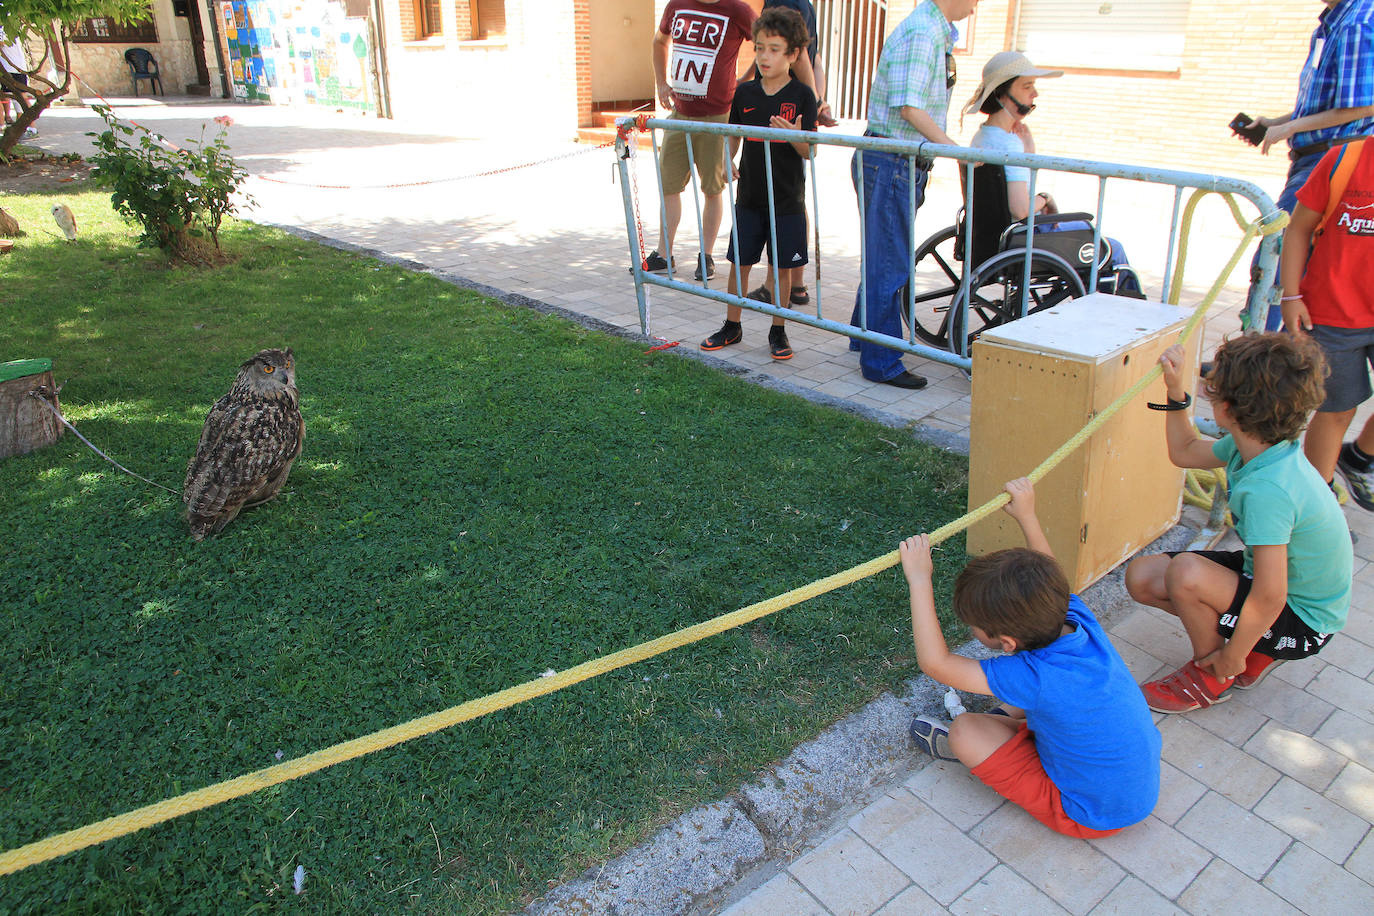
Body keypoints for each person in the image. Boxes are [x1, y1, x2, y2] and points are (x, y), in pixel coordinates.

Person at [901, 478, 1160, 838]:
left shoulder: (1033, 676)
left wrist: (919, 580)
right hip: (1134, 792)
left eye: (974, 625)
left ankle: (981, 751)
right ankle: (1014, 733)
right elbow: (1051, 574)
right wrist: (1027, 515)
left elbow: (937, 665)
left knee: (966, 732)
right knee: (1031, 702)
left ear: (1007, 642)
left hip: (1089, 815)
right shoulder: (1074, 619)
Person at [1125, 334, 1352, 713]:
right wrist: (1175, 391)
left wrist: (1232, 654)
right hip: (1285, 597)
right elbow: (1184, 451)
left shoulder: (1269, 490)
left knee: (1185, 573)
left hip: (1305, 624)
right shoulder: (1260, 443)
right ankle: (1254, 652)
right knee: (1143, 577)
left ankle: (1215, 674)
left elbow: (1270, 596)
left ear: (1227, 409)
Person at [850, 0, 980, 390]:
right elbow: (908, 107)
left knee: (883, 256)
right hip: (892, 159)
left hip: (893, 160)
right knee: (889, 263)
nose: (977, 4)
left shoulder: (930, 30)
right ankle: (882, 360)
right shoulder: (923, 32)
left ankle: (864, 338)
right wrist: (956, 150)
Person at [962, 51, 1141, 296]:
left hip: (991, 235)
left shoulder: (983, 136)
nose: (1034, 94)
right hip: (1021, 239)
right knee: (1111, 249)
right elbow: (1021, 209)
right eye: (1027, 86)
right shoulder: (1007, 144)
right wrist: (1045, 198)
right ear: (1002, 93)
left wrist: (1029, 154)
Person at [1241, 0, 1374, 329]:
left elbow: (1363, 105)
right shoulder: (1332, 21)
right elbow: (1329, 101)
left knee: (1276, 260)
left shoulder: (1357, 22)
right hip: (1314, 157)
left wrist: (1290, 128)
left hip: (1330, 158)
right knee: (1287, 262)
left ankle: (1259, 362)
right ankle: (1273, 358)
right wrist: (1276, 121)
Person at [699, 6, 817, 361]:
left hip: (786, 201)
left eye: (774, 49)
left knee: (780, 269)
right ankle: (732, 325)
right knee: (740, 263)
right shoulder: (745, 93)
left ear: (793, 54)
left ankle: (778, 331)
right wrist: (726, 157)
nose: (765, 56)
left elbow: (808, 151)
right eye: (760, 47)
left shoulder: (803, 96)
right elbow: (733, 135)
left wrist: (796, 136)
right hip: (749, 197)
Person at [1281, 139, 1374, 511]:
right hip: (1334, 314)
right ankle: (1318, 508)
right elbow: (1298, 229)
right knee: (1336, 410)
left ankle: (1359, 458)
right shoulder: (1344, 160)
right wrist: (1290, 296)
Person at [642, 0, 756, 282]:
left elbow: (767, 41)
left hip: (716, 116)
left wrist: (747, 80)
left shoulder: (737, 10)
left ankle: (705, 256)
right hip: (679, 114)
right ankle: (664, 254)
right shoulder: (677, 5)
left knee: (712, 188)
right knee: (669, 184)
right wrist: (660, 82)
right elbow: (659, 41)